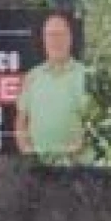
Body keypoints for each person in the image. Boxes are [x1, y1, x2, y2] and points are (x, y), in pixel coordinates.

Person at [15, 11, 87, 162]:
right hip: (38, 169)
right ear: (44, 40)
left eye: (61, 34)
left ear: (70, 38)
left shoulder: (85, 75)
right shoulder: (32, 76)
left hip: (76, 168)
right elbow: (21, 122)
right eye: (51, 35)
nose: (56, 40)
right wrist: (29, 155)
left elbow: (91, 124)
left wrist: (71, 157)